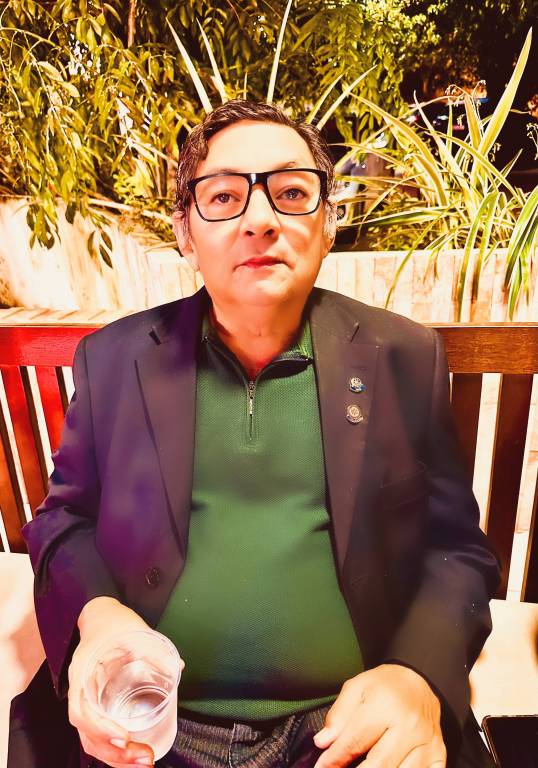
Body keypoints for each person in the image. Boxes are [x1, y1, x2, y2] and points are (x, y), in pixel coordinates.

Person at [9, 100, 500, 768]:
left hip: (345, 723)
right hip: (147, 717)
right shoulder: (115, 358)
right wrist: (97, 618)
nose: (260, 220)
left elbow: (457, 550)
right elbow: (64, 519)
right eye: (224, 197)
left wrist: (415, 676)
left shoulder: (403, 356)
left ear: (328, 224)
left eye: (292, 193)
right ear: (184, 232)